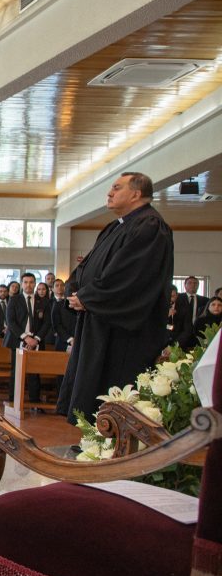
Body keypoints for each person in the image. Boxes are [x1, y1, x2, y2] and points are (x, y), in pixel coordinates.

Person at [57, 172, 174, 423]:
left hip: (123, 333)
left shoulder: (150, 227)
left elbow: (129, 278)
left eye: (117, 188)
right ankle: (95, 435)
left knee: (114, 400)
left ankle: (110, 437)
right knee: (91, 402)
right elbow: (84, 269)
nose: (109, 193)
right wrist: (73, 291)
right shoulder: (115, 227)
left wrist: (88, 298)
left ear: (136, 194)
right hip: (97, 325)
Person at [4, 272, 51, 402]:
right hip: (18, 340)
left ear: (35, 284)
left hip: (36, 341)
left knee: (34, 372)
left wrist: (36, 339)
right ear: (22, 284)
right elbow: (11, 321)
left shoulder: (43, 301)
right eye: (25, 282)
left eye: (31, 282)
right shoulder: (14, 300)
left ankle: (35, 401)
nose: (28, 285)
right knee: (16, 371)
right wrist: (25, 338)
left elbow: (47, 322)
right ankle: (13, 400)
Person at [175, 275, 210, 349]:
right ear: (185, 285)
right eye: (190, 283)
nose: (193, 285)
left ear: (198, 286)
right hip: (180, 334)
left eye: (195, 283)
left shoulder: (205, 300)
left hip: (197, 334)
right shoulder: (177, 298)